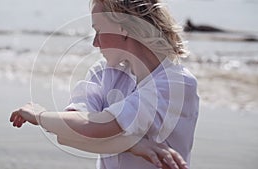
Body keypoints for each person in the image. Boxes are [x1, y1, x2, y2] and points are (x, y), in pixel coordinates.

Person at [10, 0, 199, 169]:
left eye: (99, 30)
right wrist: (133, 144)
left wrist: (39, 115)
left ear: (123, 27)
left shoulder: (177, 83)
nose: (94, 42)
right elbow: (67, 133)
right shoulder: (104, 72)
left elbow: (96, 127)